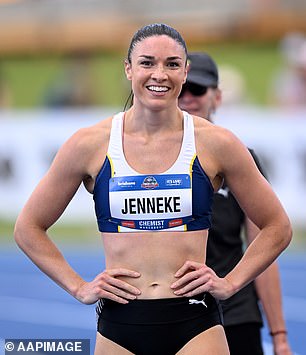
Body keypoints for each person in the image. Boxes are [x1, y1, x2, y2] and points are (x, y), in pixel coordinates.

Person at [14, 23, 292, 355]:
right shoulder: (89, 144)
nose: (159, 74)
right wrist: (79, 287)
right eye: (147, 63)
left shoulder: (218, 144)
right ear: (128, 69)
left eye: (172, 64)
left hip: (196, 323)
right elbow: (28, 228)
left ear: (185, 71)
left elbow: (278, 226)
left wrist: (230, 283)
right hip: (120, 326)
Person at [178, 52, 292, 355]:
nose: (188, 97)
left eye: (198, 89)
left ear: (216, 97)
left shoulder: (242, 161)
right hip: (173, 314)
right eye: (182, 89)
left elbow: (266, 245)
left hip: (235, 313)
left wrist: (279, 335)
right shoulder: (148, 162)